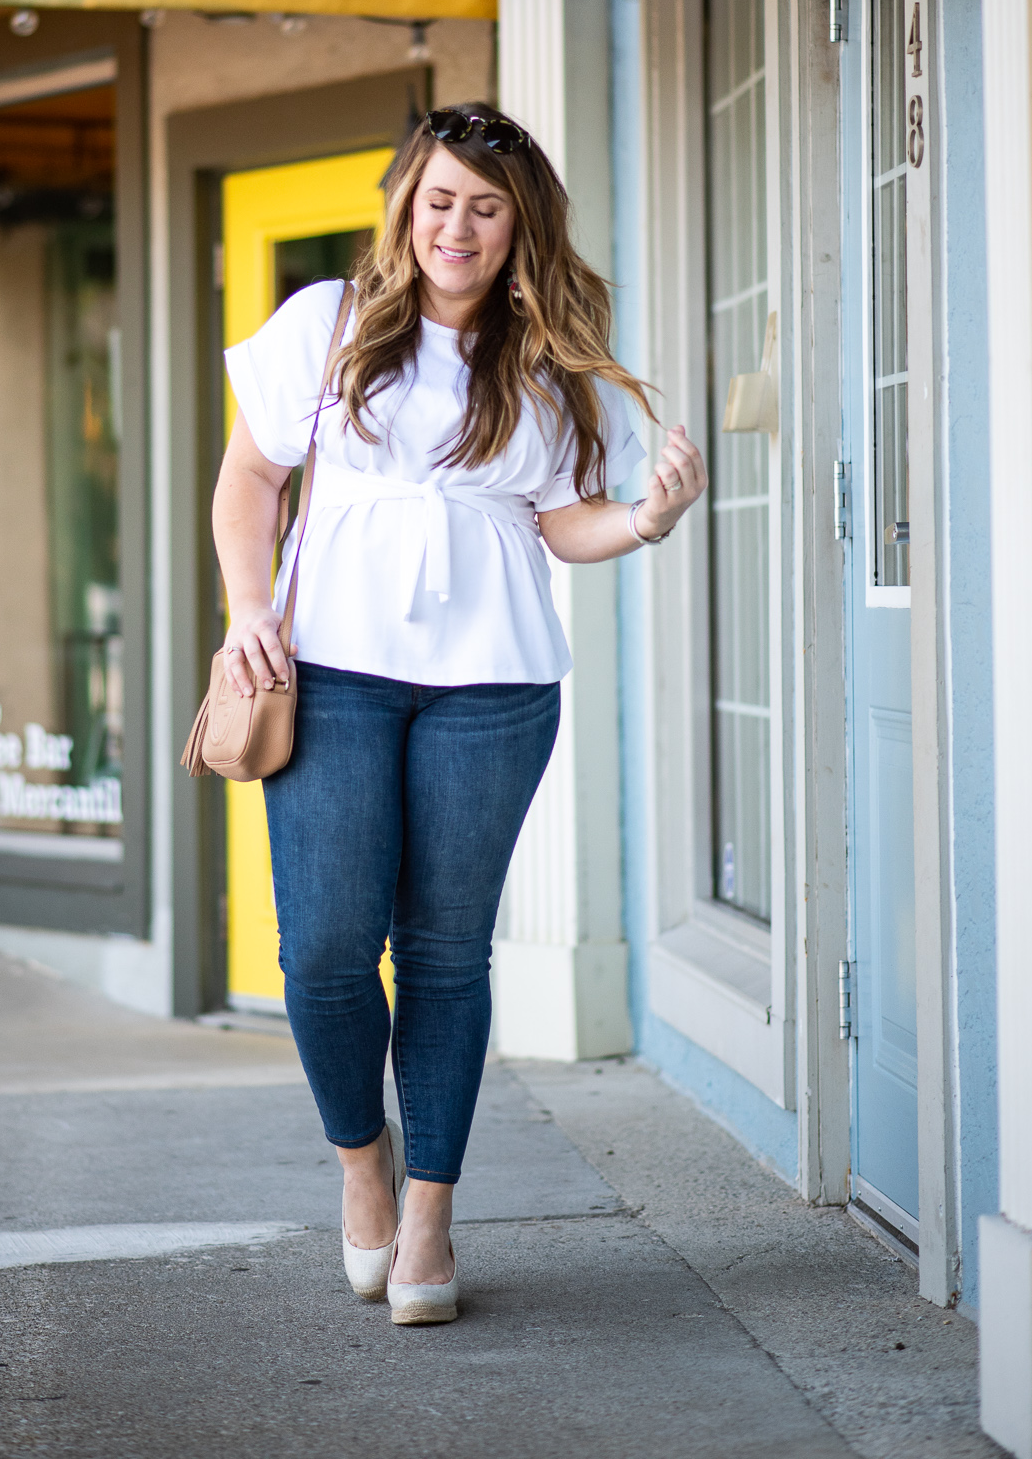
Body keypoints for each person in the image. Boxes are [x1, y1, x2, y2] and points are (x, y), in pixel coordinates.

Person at [213, 105, 707, 1325]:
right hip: (327, 671)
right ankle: (360, 1164)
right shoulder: (324, 321)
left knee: (443, 951)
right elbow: (249, 477)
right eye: (439, 199)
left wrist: (642, 517)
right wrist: (242, 610)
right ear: (405, 205)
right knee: (324, 952)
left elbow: (559, 520)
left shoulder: (546, 357)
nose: (457, 225)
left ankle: (429, 1212)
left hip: (493, 687)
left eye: (485, 206)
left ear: (514, 224)